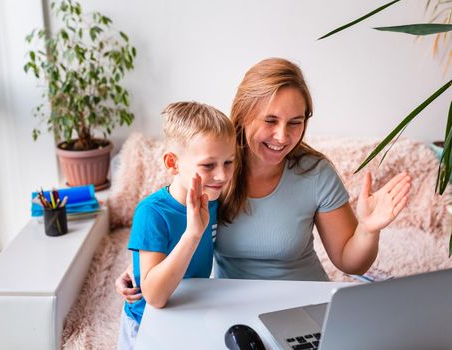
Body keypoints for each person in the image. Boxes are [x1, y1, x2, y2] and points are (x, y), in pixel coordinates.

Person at [116, 58, 411, 297]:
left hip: (305, 299)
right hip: (234, 307)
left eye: (295, 123)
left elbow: (349, 261)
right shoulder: (217, 170)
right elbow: (170, 216)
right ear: (243, 116)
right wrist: (140, 268)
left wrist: (369, 230)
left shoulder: (315, 173)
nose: (282, 137)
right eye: (270, 121)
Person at [117, 101, 236, 350]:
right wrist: (192, 234)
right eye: (208, 165)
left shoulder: (213, 197)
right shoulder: (151, 213)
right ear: (173, 163)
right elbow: (155, 297)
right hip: (149, 323)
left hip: (193, 311)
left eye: (228, 162)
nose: (223, 175)